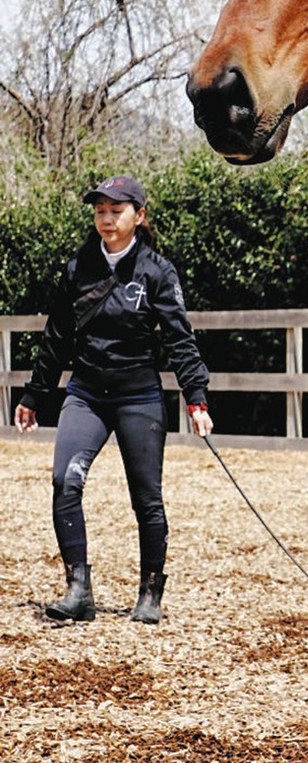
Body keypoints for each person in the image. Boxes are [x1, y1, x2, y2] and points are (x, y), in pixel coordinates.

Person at [14, 175, 213, 624]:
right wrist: (35, 394)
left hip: (138, 395)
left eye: (116, 210)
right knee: (66, 480)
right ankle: (78, 590)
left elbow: (180, 339)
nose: (106, 218)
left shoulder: (157, 272)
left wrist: (196, 398)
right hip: (85, 393)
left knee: (147, 498)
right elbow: (57, 337)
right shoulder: (77, 269)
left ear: (138, 217)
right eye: (100, 210)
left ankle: (150, 592)